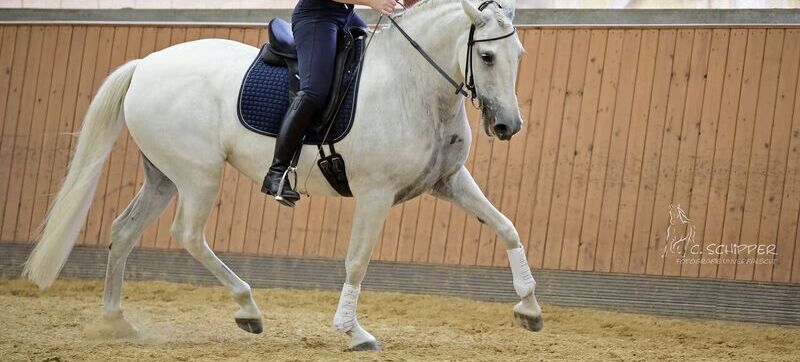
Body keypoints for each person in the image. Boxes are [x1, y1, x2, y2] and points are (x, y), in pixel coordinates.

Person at [261, 0, 396, 206]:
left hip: (345, 16)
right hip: (317, 16)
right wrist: (371, 2)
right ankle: (276, 172)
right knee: (315, 90)